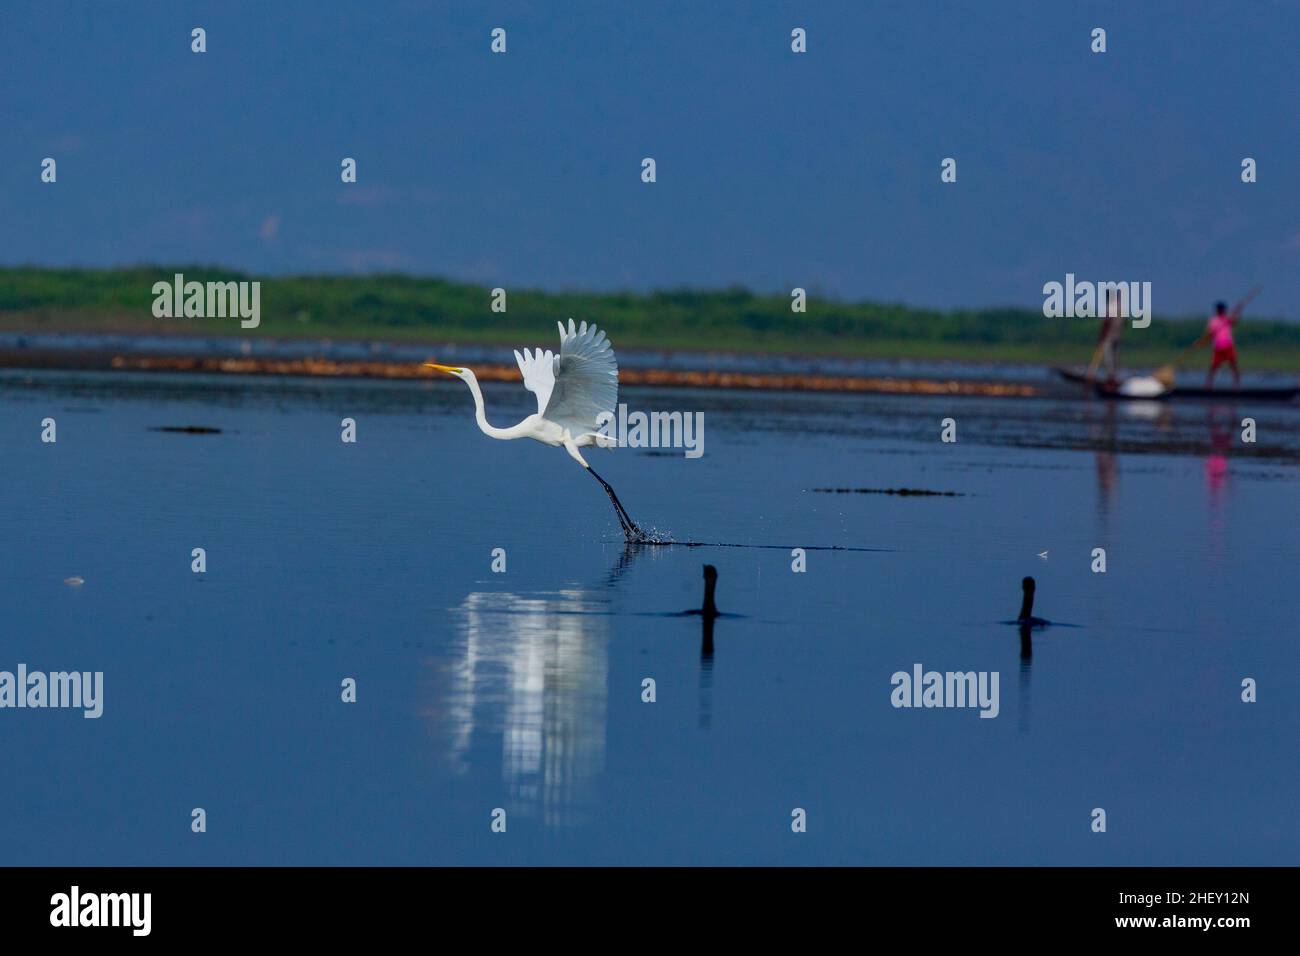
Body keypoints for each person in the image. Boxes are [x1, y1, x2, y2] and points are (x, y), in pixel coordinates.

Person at [1203, 299, 1243, 389]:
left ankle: (1237, 385)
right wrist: (1210, 334)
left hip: (1228, 345)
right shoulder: (1213, 321)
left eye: (1223, 309)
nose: (1221, 311)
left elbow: (1235, 321)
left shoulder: (1227, 319)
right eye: (1220, 309)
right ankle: (1208, 385)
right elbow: (1209, 333)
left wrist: (1238, 310)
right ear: (1217, 310)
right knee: (1214, 367)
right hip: (1218, 347)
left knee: (1233, 365)